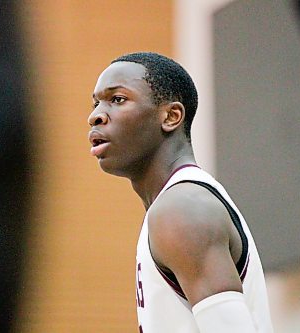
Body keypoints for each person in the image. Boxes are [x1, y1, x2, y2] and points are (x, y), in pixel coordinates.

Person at [87, 52, 274, 332]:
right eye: (96, 103)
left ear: (171, 116)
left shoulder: (180, 209)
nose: (95, 116)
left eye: (117, 99)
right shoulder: (174, 205)